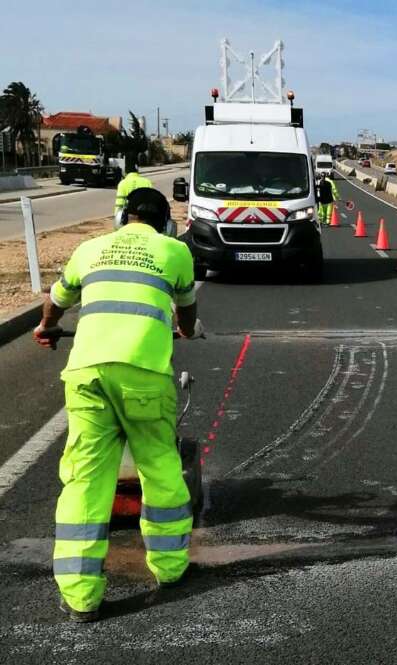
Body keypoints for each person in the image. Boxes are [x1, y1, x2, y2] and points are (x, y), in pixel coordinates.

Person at [34, 187, 202, 623]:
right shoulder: (174, 251)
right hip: (144, 376)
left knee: (85, 481)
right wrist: (183, 329)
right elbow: (186, 312)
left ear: (124, 218)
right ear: (166, 221)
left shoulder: (89, 249)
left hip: (87, 375)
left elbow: (56, 301)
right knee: (161, 468)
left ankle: (80, 596)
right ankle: (170, 570)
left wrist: (45, 327)